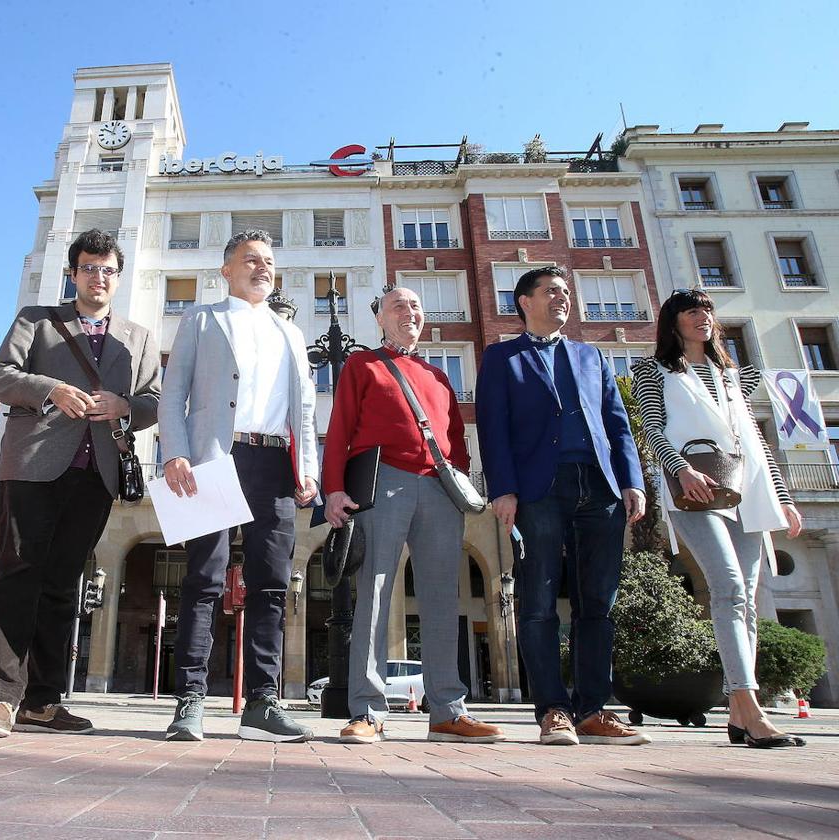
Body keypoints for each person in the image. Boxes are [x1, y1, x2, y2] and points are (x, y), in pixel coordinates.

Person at [0, 229, 161, 738]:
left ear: (118, 278)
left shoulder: (139, 337)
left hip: (96, 473)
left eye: (108, 269)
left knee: (62, 586)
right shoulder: (37, 320)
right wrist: (50, 387)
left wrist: (126, 407)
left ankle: (43, 701)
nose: (98, 277)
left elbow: (153, 400)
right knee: (17, 577)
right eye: (89, 268)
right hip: (32, 465)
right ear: (73, 273)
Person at [475, 265, 650, 746]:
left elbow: (617, 424)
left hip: (600, 489)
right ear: (524, 302)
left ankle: (593, 709)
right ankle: (553, 709)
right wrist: (503, 489)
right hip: (538, 491)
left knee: (598, 603)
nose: (562, 298)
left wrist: (631, 480)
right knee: (537, 603)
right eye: (551, 291)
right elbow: (494, 429)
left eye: (566, 292)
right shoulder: (501, 358)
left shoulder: (590, 355)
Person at [324, 287, 506, 745]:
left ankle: (448, 711)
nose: (411, 312)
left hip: (439, 489)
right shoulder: (361, 366)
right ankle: (367, 711)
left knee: (443, 597)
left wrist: (460, 478)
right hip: (383, 481)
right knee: (375, 593)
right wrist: (333, 489)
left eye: (417, 306)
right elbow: (339, 429)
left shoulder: (438, 375)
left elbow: (457, 440)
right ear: (380, 319)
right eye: (399, 305)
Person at [160, 230, 318, 742]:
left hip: (274, 464)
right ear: (226, 270)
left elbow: (306, 408)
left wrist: (308, 467)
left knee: (272, 584)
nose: (262, 268)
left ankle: (263, 703)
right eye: (250, 260)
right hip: (213, 460)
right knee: (203, 581)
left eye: (269, 261)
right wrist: (175, 453)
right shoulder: (200, 319)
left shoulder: (290, 333)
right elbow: (174, 392)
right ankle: (190, 701)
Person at [632, 288, 805, 748]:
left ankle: (738, 711)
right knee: (727, 587)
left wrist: (782, 497)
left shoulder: (733, 375)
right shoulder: (653, 371)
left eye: (707, 310)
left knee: (746, 598)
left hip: (748, 491)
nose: (702, 317)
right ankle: (748, 704)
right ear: (674, 323)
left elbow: (754, 440)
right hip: (694, 491)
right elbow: (651, 426)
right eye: (691, 311)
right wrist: (681, 468)